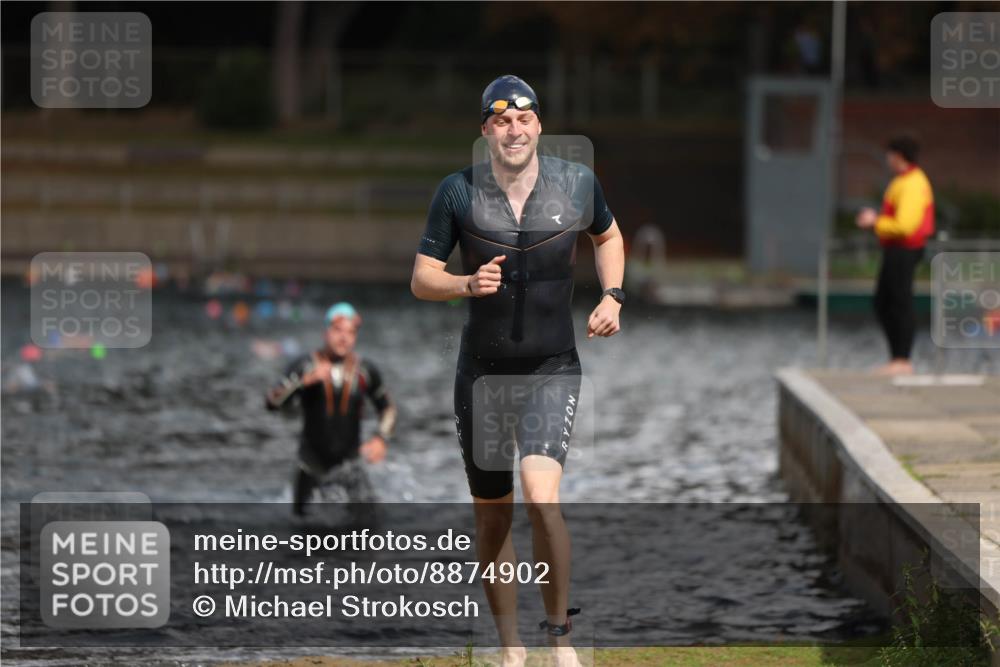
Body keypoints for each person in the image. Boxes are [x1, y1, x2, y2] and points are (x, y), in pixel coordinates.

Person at [410, 75, 625, 667]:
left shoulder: (577, 183)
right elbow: (421, 276)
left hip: (552, 367)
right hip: (480, 374)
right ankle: (511, 649)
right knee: (493, 515)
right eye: (501, 120)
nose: (514, 129)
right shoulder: (457, 192)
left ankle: (559, 638)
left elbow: (609, 236)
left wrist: (613, 296)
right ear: (485, 130)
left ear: (538, 125)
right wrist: (462, 283)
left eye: (524, 118)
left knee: (541, 497)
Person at [265, 302, 396, 516]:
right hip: (310, 464)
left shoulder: (365, 371)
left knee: (371, 526)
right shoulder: (305, 366)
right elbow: (272, 403)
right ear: (326, 331)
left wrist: (381, 438)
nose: (344, 337)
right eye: (338, 330)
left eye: (350, 332)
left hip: (350, 466)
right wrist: (304, 382)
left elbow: (388, 408)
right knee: (302, 531)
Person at [856, 136, 935, 375]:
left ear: (899, 155)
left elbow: (906, 225)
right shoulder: (901, 181)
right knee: (884, 301)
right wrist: (877, 221)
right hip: (895, 249)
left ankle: (902, 360)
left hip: (906, 249)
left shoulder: (913, 183)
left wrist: (874, 221)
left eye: (889, 154)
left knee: (900, 302)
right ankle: (897, 359)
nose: (887, 159)